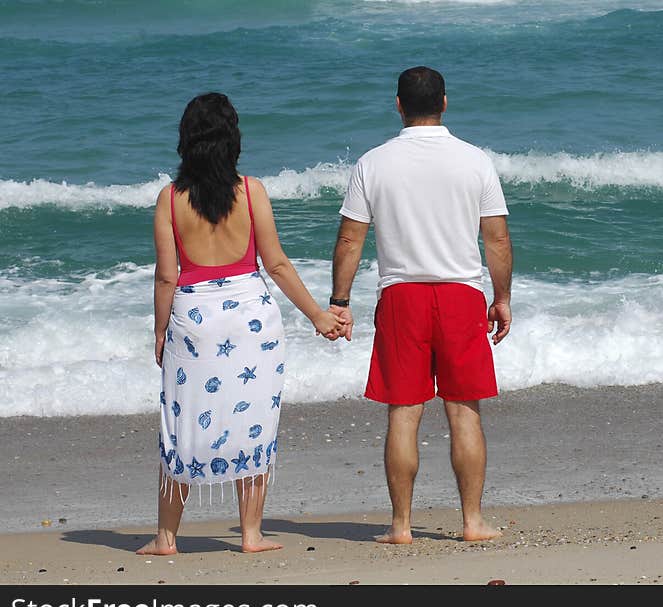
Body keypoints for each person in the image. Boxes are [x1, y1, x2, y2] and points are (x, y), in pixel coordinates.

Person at [138, 92, 345, 555]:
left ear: (186, 141)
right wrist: (317, 315)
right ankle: (251, 533)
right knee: (254, 419)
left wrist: (159, 330)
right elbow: (277, 264)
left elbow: (167, 275)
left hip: (194, 319)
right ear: (234, 140)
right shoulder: (251, 191)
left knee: (182, 423)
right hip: (252, 316)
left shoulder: (169, 200)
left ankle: (166, 537)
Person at [329, 66, 513, 544]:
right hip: (462, 294)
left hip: (401, 295)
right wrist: (502, 298)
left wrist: (340, 301)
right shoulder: (475, 160)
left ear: (398, 105)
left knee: (403, 412)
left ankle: (401, 526)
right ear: (445, 103)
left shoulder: (373, 162)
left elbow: (351, 239)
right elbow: (496, 237)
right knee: (464, 411)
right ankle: (472, 522)